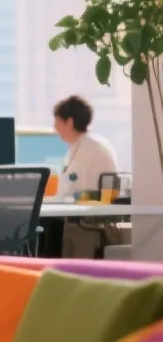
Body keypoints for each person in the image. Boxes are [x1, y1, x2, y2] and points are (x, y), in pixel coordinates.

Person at [54, 95, 125, 258]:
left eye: (57, 121)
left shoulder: (88, 147)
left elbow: (71, 187)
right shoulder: (86, 143)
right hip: (91, 219)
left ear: (69, 122)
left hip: (89, 224)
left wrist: (49, 198)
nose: (54, 127)